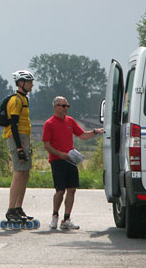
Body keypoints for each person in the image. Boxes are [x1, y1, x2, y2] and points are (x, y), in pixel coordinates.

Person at [42, 96, 104, 230]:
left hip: (71, 160)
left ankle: (66, 219)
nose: (65, 109)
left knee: (72, 189)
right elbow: (46, 145)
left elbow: (82, 135)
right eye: (63, 106)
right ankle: (54, 216)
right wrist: (59, 154)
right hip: (57, 160)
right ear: (55, 107)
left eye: (67, 106)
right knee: (60, 190)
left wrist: (95, 132)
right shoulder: (49, 123)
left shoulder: (70, 121)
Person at [2, 70, 35, 223]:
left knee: (25, 173)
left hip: (23, 137)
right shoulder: (16, 100)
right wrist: (19, 147)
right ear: (21, 83)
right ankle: (10, 209)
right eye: (29, 82)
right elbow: (13, 125)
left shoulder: (23, 99)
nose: (32, 85)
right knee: (18, 173)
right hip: (17, 137)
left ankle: (18, 207)